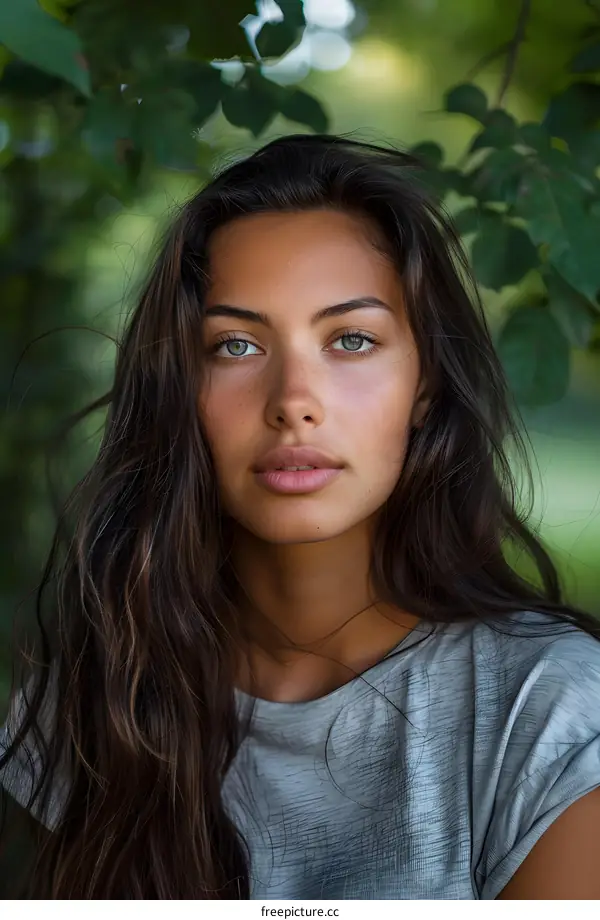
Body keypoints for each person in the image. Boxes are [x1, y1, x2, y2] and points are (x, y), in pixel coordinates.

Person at [1, 133, 600, 900]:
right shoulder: (97, 700)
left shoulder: (550, 710)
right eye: (236, 346)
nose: (292, 402)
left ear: (424, 385)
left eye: (351, 340)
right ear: (181, 388)